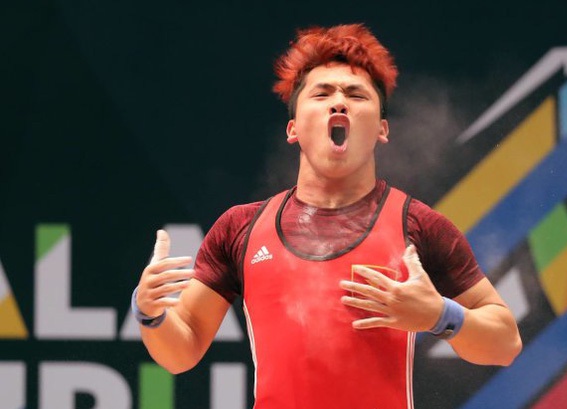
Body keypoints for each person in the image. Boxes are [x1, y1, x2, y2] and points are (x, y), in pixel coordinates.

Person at [132, 23, 522, 408]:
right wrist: (149, 314)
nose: (339, 103)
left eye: (356, 94)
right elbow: (181, 352)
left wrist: (439, 314)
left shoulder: (418, 227)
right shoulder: (240, 229)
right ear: (293, 128)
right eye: (321, 93)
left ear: (382, 129)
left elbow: (506, 343)